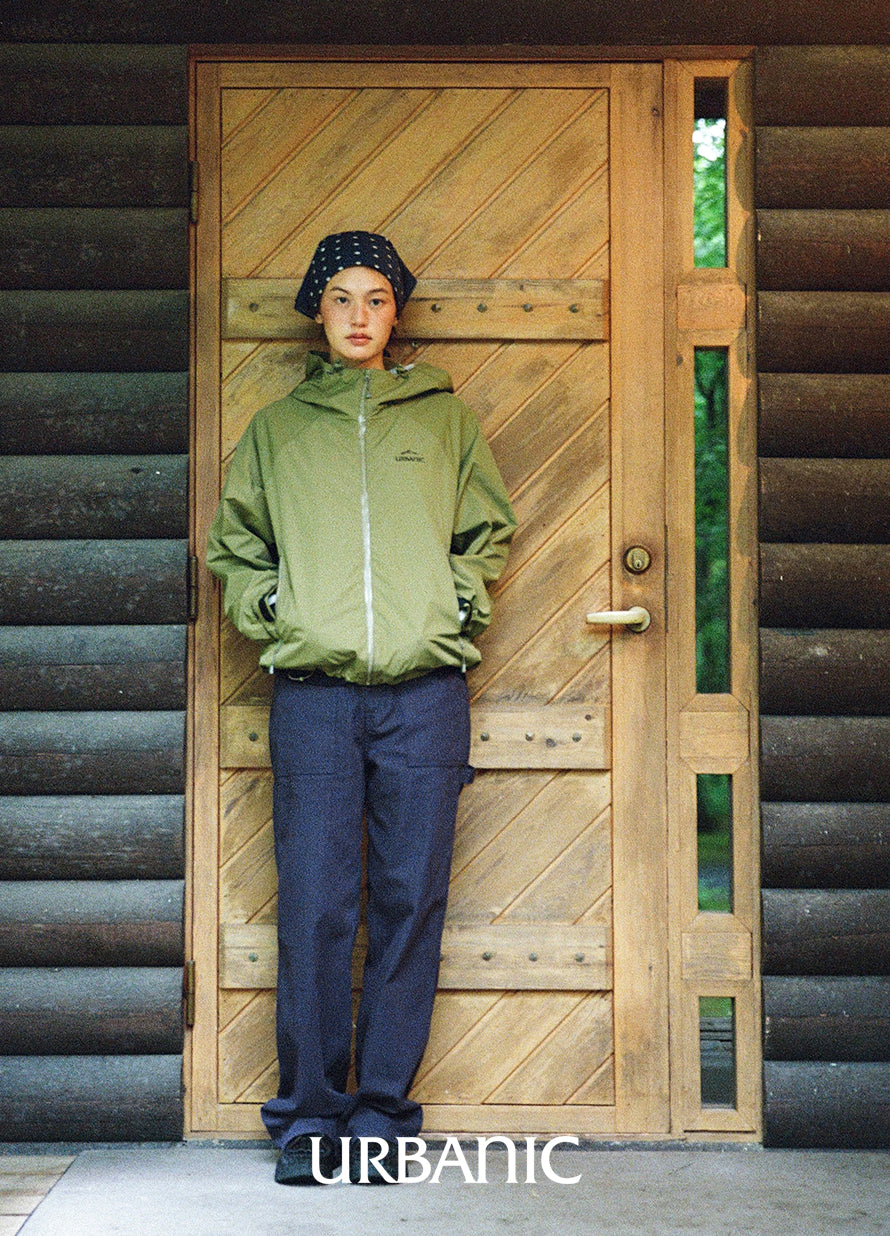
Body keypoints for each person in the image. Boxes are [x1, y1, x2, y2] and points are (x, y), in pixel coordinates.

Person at [207, 231, 516, 1185]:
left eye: (375, 298)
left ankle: (381, 1115)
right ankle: (307, 1118)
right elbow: (236, 547)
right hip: (315, 696)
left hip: (425, 696)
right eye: (339, 297)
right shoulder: (279, 430)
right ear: (317, 310)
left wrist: (454, 607)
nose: (357, 315)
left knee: (409, 901)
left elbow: (487, 531)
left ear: (396, 313)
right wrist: (275, 610)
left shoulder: (446, 423)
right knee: (314, 904)